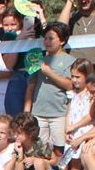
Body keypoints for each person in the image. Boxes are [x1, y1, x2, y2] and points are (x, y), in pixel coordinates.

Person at [27, 20, 73, 156]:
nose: (47, 41)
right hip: (38, 112)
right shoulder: (38, 60)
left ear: (62, 40)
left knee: (59, 149)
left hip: (59, 113)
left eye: (51, 38)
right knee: (39, 149)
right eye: (45, 38)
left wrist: (49, 73)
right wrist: (27, 111)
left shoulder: (70, 61)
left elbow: (70, 85)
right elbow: (31, 86)